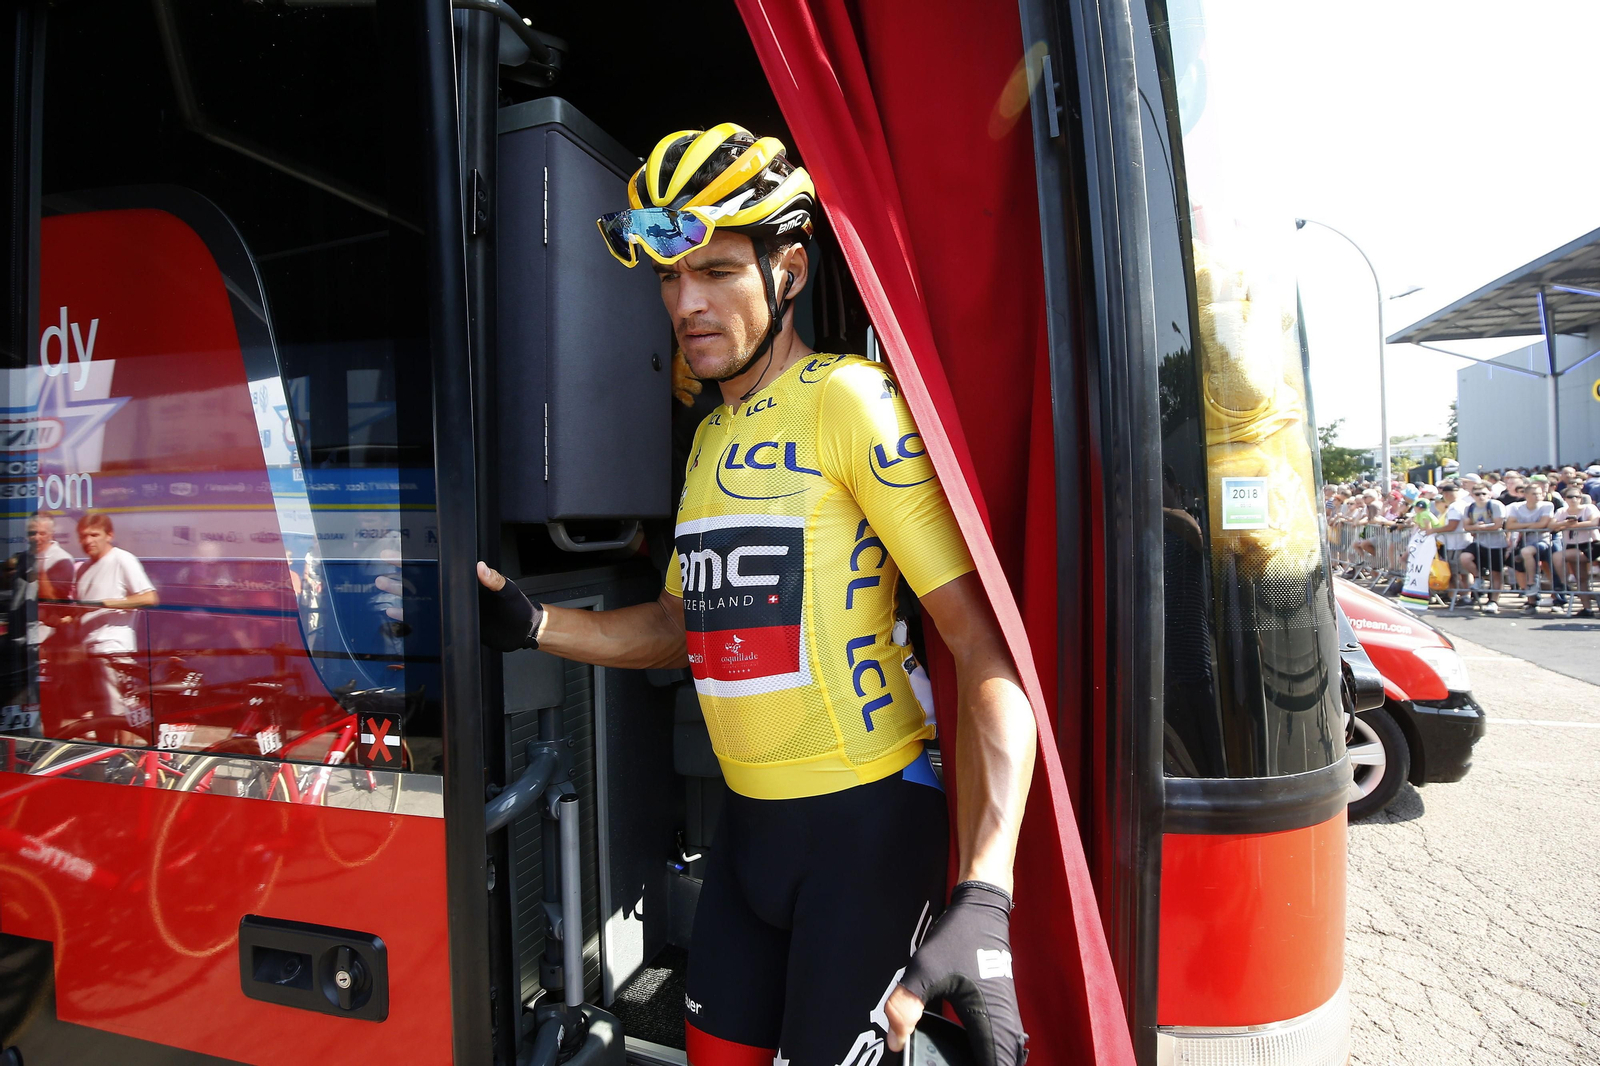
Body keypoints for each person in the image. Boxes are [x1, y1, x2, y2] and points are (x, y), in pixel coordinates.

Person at [479, 126, 1031, 1066]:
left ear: (790, 269)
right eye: (668, 276)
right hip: (749, 836)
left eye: (718, 271)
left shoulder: (848, 401)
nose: (685, 304)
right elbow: (676, 628)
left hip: (866, 831)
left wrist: (986, 893)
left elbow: (980, 644)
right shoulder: (704, 441)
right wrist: (539, 625)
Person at [72, 513, 158, 730]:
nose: (88, 541)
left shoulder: (122, 559)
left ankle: (123, 760)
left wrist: (104, 603)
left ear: (109, 535)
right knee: (101, 714)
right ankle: (105, 761)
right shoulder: (82, 568)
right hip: (88, 650)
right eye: (83, 536)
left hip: (114, 649)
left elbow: (149, 597)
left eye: (94, 535)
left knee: (119, 712)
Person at [1504, 481, 1559, 611]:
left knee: (1533, 556)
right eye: (1534, 494)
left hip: (1543, 541)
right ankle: (1532, 600)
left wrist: (1523, 526)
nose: (1538, 496)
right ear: (1526, 495)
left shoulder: (1547, 505)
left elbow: (1543, 524)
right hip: (1522, 542)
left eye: (1540, 493)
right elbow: (1510, 526)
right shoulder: (1516, 507)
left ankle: (1533, 584)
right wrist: (1532, 526)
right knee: (1520, 566)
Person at [1459, 484, 1507, 614]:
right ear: (1472, 495)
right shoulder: (1470, 508)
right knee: (1465, 557)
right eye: (1477, 494)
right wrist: (1476, 527)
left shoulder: (1496, 505)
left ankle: (1493, 601)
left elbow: (1498, 524)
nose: (1481, 497)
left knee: (1496, 573)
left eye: (1484, 494)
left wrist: (1479, 527)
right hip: (1480, 542)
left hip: (1497, 543)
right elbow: (1466, 526)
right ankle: (1479, 577)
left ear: (1489, 494)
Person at [1554, 488, 1599, 617]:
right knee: (1581, 578)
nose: (1574, 499)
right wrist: (1565, 523)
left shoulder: (1589, 508)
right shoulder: (1562, 511)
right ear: (1565, 498)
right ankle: (1587, 609)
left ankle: (1562, 584)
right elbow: (1552, 525)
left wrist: (1571, 525)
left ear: (1581, 498)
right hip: (1572, 544)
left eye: (1577, 497)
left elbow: (1594, 522)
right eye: (1570, 497)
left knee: (1558, 555)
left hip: (1590, 544)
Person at [1434, 482, 1472, 598]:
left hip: (1456, 544)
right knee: (1462, 573)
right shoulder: (1463, 504)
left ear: (1446, 494)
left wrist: (1434, 531)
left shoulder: (1455, 507)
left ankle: (1464, 595)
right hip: (1459, 542)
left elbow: (1452, 526)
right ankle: (1463, 595)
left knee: (1457, 572)